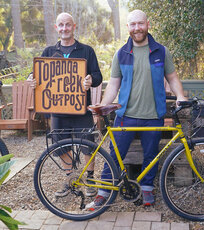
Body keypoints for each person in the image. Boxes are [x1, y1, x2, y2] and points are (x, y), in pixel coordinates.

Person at [86, 9, 186, 209]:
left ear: (147, 24)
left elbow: (172, 77)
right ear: (128, 27)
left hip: (153, 115)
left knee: (151, 155)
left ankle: (147, 187)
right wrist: (104, 104)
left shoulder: (161, 51)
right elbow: (113, 84)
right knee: (115, 155)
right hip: (126, 115)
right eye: (133, 25)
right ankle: (104, 192)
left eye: (140, 24)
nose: (137, 28)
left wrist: (181, 96)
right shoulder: (121, 54)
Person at [28, 12, 102, 197]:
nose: (64, 28)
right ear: (56, 28)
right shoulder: (48, 52)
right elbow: (37, 77)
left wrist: (90, 80)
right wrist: (32, 81)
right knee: (60, 145)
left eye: (67, 25)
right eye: (60, 25)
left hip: (81, 108)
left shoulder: (86, 51)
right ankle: (72, 179)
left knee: (87, 144)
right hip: (58, 110)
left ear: (74, 26)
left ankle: (90, 179)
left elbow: (98, 77)